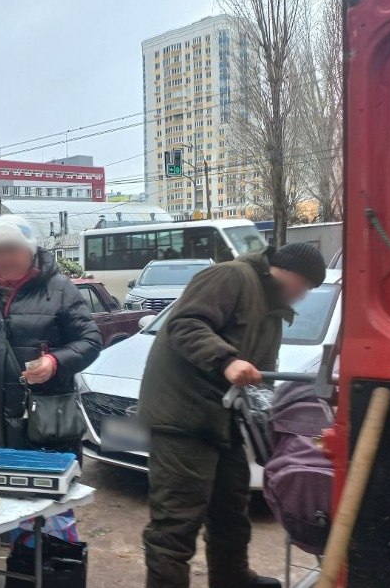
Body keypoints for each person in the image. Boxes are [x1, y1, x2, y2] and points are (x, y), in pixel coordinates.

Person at [138, 243, 327, 588]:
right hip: (184, 417)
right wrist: (227, 360)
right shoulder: (231, 276)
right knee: (176, 523)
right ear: (293, 275)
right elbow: (185, 324)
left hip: (223, 420)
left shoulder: (274, 311)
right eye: (306, 287)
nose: (304, 296)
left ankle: (232, 579)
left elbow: (264, 373)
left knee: (231, 512)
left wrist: (271, 419)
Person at [0, 214, 102, 452]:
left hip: (48, 429)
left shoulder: (60, 291)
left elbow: (91, 340)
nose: (5, 258)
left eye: (12, 249)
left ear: (29, 251)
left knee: (46, 486)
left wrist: (54, 362)